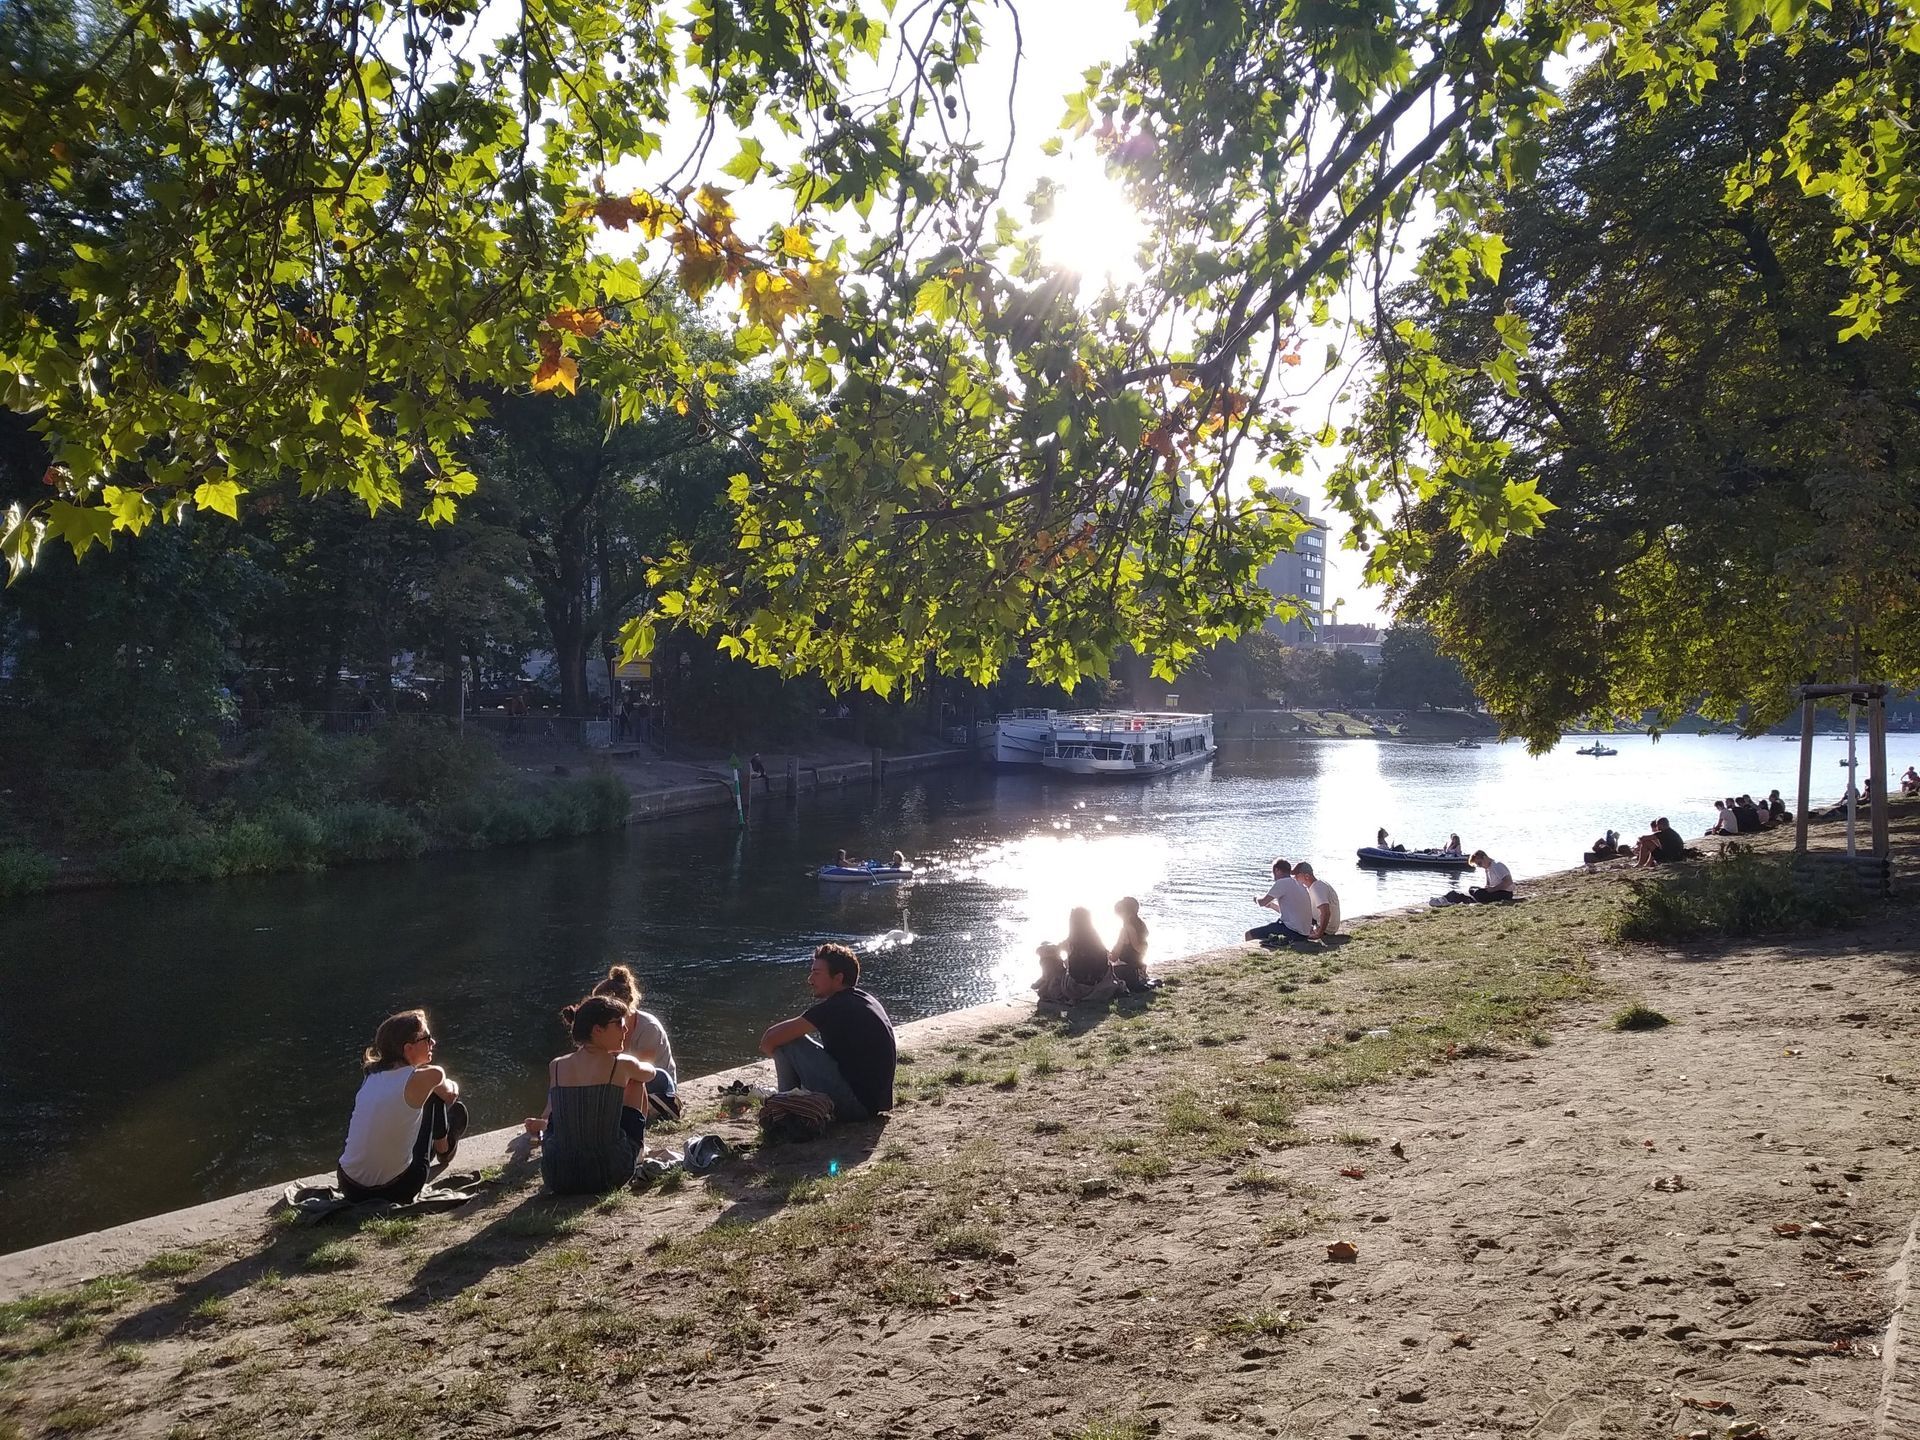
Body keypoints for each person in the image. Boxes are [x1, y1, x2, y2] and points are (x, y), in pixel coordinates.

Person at [529, 995, 658, 1195]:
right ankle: (637, 1152)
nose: (625, 1029)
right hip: (610, 1174)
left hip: (557, 1175)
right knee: (636, 1080)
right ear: (598, 1030)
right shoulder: (622, 1063)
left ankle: (545, 1129)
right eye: (619, 1023)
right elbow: (651, 1073)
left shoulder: (556, 1065)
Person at [337, 1009, 469, 1204]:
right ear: (408, 1048)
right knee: (434, 1095)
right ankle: (444, 1147)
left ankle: (439, 1147)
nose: (433, 1043)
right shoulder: (432, 1075)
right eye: (427, 1038)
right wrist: (443, 1081)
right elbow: (451, 1095)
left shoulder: (370, 1075)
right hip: (397, 1189)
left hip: (350, 1187)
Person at [759, 943, 896, 1123]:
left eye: (816, 973)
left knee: (786, 1043)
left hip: (856, 1105)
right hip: (873, 1103)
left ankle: (785, 1109)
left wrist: (783, 1057)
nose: (810, 980)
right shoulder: (863, 999)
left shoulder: (834, 1008)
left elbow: (769, 1040)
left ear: (838, 978)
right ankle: (790, 1101)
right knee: (787, 1039)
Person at [592, 964, 680, 1120]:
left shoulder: (648, 1028)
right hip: (621, 1082)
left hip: (654, 1085)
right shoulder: (605, 1028)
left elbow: (639, 1071)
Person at [1246, 858, 1319, 943]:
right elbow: (1291, 913)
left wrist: (1256, 898)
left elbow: (1262, 902)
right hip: (1303, 934)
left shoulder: (1281, 883)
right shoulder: (1299, 884)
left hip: (1291, 931)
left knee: (1248, 934)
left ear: (1277, 870)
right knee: (1270, 930)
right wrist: (1272, 905)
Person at [1431, 850, 1515, 905]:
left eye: (1479, 863)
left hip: (1504, 893)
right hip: (1497, 891)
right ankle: (1450, 897)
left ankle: (1450, 899)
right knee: (1472, 889)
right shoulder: (1488, 869)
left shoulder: (1497, 866)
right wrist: (1488, 888)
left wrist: (1492, 889)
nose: (1480, 866)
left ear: (1484, 858)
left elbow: (1508, 882)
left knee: (1478, 893)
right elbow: (1489, 884)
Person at [1062, 906, 1114, 988]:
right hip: (1101, 983)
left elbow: (1057, 949)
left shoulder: (1072, 940)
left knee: (1054, 961)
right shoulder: (1095, 938)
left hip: (1077, 987)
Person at [1108, 896, 1152, 991]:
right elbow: (1141, 950)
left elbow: (1114, 956)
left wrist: (1106, 954)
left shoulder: (1126, 930)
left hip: (1128, 972)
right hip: (1140, 971)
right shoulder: (1141, 926)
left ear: (1126, 913)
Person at [1292, 862, 1341, 938]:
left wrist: (1319, 934)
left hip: (1327, 930)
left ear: (1306, 876)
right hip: (1327, 927)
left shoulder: (1317, 887)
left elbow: (1326, 912)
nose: (1295, 878)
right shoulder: (1317, 885)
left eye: (1297, 876)